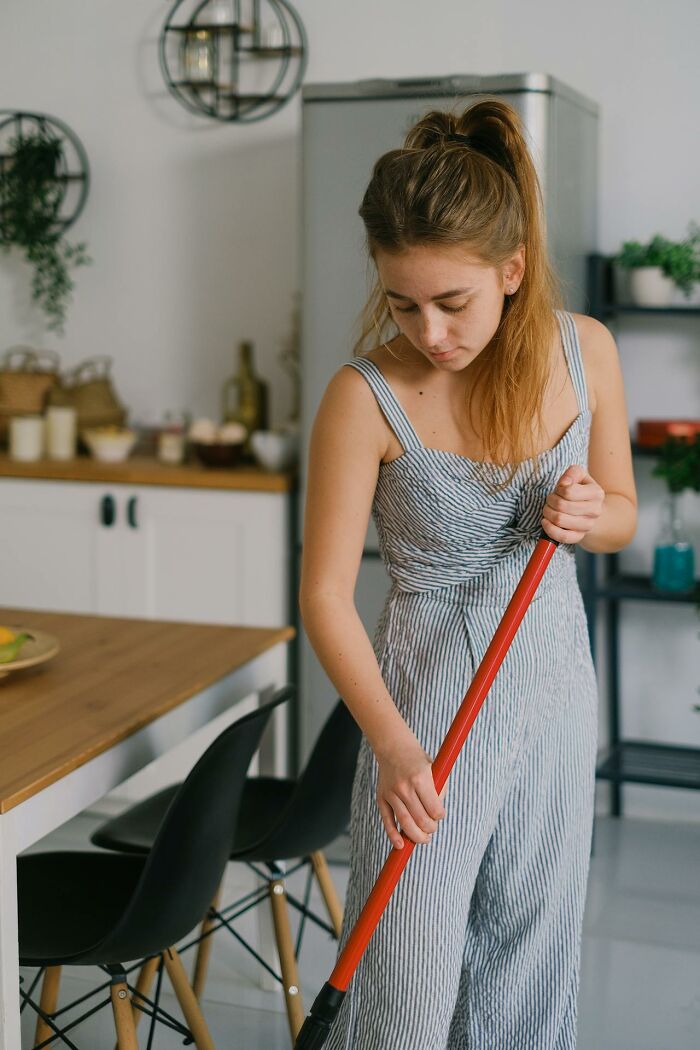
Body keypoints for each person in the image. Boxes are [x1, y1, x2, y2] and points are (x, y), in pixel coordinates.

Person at [299, 98, 637, 1050]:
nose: (431, 331)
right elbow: (325, 596)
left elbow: (619, 515)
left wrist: (587, 516)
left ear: (512, 271)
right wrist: (394, 747)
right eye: (404, 302)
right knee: (407, 977)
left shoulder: (588, 353)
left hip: (551, 690)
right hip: (421, 711)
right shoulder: (364, 396)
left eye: (455, 303)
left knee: (526, 966)